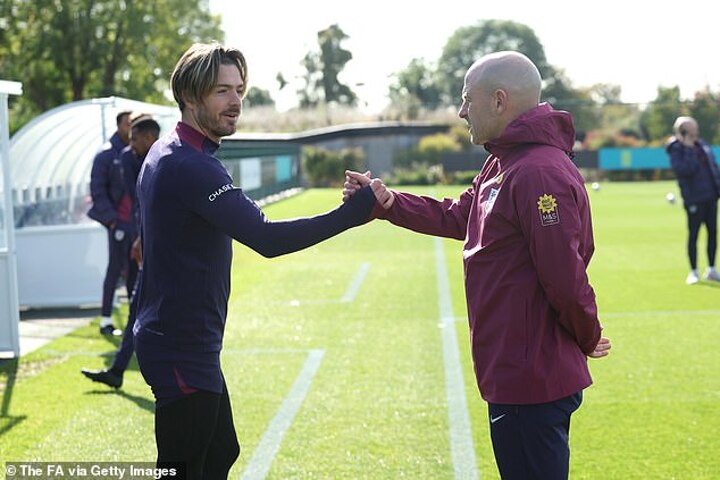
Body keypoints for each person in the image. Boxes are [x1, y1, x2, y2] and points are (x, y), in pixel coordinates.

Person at [344, 51, 611, 480]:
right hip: (512, 371)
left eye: (468, 99)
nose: (461, 110)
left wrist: (588, 332)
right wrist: (389, 203)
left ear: (499, 101)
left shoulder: (537, 171)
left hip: (532, 377)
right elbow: (459, 216)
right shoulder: (502, 162)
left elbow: (565, 277)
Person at [133, 42, 389, 478]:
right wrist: (354, 213)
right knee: (183, 468)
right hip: (180, 344)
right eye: (221, 91)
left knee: (219, 453)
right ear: (190, 98)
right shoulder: (190, 166)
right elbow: (266, 238)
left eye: (239, 89)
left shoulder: (172, 151)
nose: (235, 102)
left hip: (182, 339)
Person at [81, 115, 161, 389]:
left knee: (146, 305)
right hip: (139, 237)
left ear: (148, 138)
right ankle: (118, 368)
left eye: (135, 138)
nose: (131, 143)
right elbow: (141, 200)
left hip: (160, 246)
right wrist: (133, 232)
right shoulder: (126, 158)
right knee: (135, 301)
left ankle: (125, 369)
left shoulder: (168, 157)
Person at [87, 110, 135, 335]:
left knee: (135, 272)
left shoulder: (137, 152)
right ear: (119, 126)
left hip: (134, 225)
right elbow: (97, 190)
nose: (132, 127)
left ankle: (134, 322)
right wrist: (112, 220)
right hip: (119, 224)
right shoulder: (106, 154)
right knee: (115, 270)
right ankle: (106, 320)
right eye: (128, 123)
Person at [666, 116, 720, 285]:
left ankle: (711, 269)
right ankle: (694, 271)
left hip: (711, 196)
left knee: (712, 232)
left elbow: (713, 167)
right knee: (694, 234)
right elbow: (685, 171)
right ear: (682, 131)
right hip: (694, 199)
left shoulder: (702, 144)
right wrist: (688, 149)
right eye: (691, 129)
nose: (695, 132)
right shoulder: (677, 149)